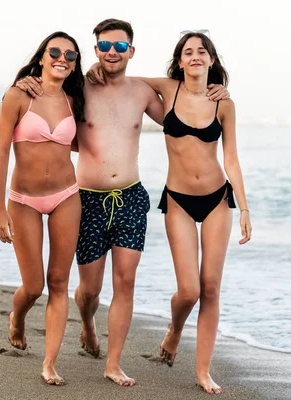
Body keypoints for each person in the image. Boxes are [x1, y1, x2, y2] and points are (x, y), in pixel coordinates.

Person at [15, 19, 230, 387]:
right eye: (104, 46)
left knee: (125, 282)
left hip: (131, 196)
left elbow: (184, 121)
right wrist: (25, 81)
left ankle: (113, 364)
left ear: (131, 52)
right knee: (91, 290)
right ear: (95, 49)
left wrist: (216, 94)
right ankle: (87, 321)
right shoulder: (78, 88)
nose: (111, 52)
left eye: (119, 47)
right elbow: (48, 104)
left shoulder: (143, 93)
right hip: (87, 199)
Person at [88, 30, 252, 395]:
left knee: (210, 288)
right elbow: (123, 76)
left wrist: (244, 207)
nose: (195, 56)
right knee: (189, 290)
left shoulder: (224, 103)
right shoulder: (168, 87)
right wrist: (92, 72)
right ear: (180, 61)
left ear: (211, 59)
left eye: (202, 51)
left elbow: (232, 158)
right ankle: (175, 329)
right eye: (188, 51)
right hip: (178, 199)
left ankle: (203, 372)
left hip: (217, 199)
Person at [0, 31, 85, 386]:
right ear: (42, 56)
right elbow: (2, 152)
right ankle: (17, 317)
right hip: (23, 200)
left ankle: (49, 362)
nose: (63, 58)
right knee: (33, 286)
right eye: (55, 52)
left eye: (71, 55)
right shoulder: (18, 95)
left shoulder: (74, 99)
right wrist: (0, 209)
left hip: (66, 196)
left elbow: (86, 140)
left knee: (59, 282)